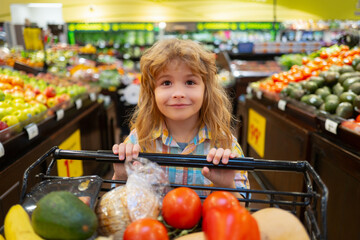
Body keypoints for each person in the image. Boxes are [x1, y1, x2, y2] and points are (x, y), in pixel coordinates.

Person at [112, 38, 249, 198]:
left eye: (190, 82)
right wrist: (121, 177)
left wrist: (226, 186)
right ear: (152, 92)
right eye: (166, 82)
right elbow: (117, 203)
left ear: (206, 91)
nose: (178, 93)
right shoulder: (139, 140)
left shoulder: (226, 145)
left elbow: (243, 207)